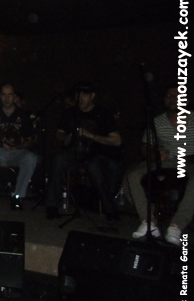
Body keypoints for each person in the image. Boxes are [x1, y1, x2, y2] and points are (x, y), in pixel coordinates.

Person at [124, 85, 194, 245]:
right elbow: (144, 146)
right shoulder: (157, 121)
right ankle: (148, 222)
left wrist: (191, 157)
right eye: (169, 95)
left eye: (178, 95)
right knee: (133, 175)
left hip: (189, 163)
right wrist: (154, 154)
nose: (173, 98)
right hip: (164, 162)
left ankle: (176, 226)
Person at [46, 82, 122, 220]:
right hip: (76, 151)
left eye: (85, 95)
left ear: (92, 96)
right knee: (59, 160)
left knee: (94, 167)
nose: (80, 98)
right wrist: (66, 137)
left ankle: (110, 208)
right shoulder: (70, 112)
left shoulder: (103, 114)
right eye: (78, 94)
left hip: (98, 153)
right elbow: (59, 133)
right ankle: (52, 205)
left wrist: (91, 135)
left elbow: (117, 140)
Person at [0, 83, 38, 210]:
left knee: (31, 158)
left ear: (14, 96)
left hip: (15, 152)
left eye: (10, 95)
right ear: (0, 96)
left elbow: (30, 140)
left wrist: (18, 145)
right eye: (4, 95)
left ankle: (18, 196)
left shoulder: (23, 115)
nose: (7, 98)